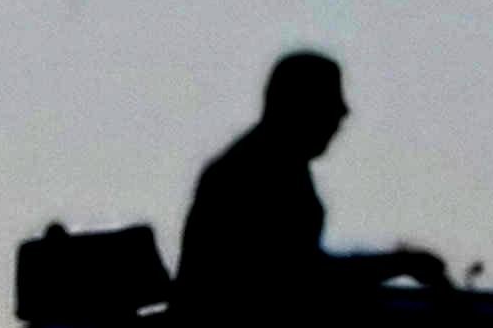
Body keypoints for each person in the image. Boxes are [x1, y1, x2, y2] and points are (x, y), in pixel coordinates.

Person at [178, 51, 454, 308]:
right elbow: (295, 275)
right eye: (330, 99)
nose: (343, 112)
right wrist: (397, 264)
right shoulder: (255, 172)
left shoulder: (272, 165)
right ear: (300, 105)